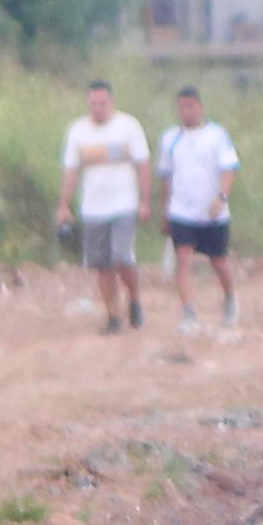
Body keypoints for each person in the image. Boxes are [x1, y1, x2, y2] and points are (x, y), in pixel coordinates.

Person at [57, 76, 152, 335]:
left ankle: (134, 299)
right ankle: (113, 316)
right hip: (93, 208)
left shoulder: (129, 126)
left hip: (124, 205)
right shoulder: (77, 131)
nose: (97, 108)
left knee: (122, 257)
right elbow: (71, 171)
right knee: (101, 265)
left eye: (102, 103)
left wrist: (145, 201)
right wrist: (63, 205)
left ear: (111, 102)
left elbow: (143, 164)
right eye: (93, 104)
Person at [158, 85, 242, 336]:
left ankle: (229, 298)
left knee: (218, 261)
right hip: (181, 211)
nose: (186, 112)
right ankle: (189, 312)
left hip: (213, 212)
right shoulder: (170, 139)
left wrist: (221, 197)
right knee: (182, 260)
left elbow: (229, 169)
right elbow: (166, 176)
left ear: (200, 107)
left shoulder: (217, 136)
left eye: (191, 106)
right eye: (182, 107)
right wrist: (166, 209)